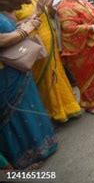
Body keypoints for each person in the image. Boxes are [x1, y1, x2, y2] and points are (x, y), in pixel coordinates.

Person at [16, 0, 81, 122]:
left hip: (51, 39)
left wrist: (49, 8)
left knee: (58, 74)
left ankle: (68, 107)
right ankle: (54, 112)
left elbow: (50, 15)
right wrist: (37, 14)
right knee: (46, 78)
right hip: (35, 44)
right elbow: (15, 25)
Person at [0, 11, 58, 169]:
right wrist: (25, 30)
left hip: (16, 68)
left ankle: (42, 145)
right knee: (13, 112)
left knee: (28, 104)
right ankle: (24, 156)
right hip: (4, 74)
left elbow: (9, 29)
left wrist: (27, 22)